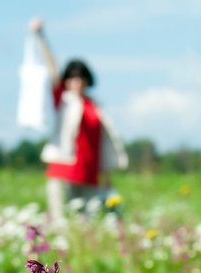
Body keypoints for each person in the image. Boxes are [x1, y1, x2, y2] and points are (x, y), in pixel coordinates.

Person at [28, 18, 128, 222]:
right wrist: (41, 36)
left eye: (81, 77)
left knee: (86, 219)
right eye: (72, 77)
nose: (77, 81)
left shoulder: (95, 107)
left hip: (89, 170)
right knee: (60, 217)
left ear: (87, 80)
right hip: (63, 164)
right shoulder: (63, 100)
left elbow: (104, 143)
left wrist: (107, 173)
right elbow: (52, 68)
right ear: (66, 80)